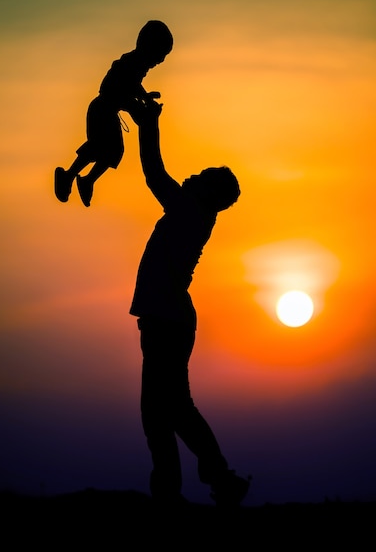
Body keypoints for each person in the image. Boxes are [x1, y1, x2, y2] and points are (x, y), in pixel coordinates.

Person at [130, 99, 250, 507]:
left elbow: (153, 174)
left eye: (202, 175)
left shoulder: (189, 209)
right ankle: (214, 479)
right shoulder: (196, 211)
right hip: (169, 319)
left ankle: (181, 489)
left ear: (208, 191)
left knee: (162, 412)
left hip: (167, 320)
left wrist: (149, 124)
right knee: (172, 409)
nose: (193, 174)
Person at [54, 20, 173, 207]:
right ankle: (68, 175)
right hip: (101, 110)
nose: (160, 61)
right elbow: (121, 88)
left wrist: (144, 98)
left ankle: (87, 180)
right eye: (160, 55)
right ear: (148, 47)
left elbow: (133, 86)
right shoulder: (129, 62)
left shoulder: (137, 66)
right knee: (98, 147)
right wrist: (137, 107)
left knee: (114, 151)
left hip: (109, 112)